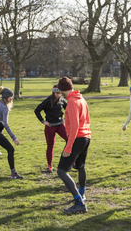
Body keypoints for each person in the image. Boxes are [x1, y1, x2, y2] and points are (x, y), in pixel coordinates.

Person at [56, 77, 91, 214]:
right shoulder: (81, 98)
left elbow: (75, 125)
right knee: (81, 166)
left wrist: (68, 146)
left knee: (61, 170)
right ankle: (82, 193)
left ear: (61, 89)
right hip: (86, 137)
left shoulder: (70, 101)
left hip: (77, 138)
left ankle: (79, 202)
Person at [34, 85, 68, 173]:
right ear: (53, 92)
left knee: (69, 140)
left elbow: (68, 109)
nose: (58, 94)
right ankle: (50, 166)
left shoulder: (62, 100)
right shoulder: (47, 101)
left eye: (60, 93)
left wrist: (66, 119)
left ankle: (72, 162)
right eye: (57, 93)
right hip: (50, 127)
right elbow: (37, 110)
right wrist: (43, 121)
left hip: (60, 125)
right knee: (50, 146)